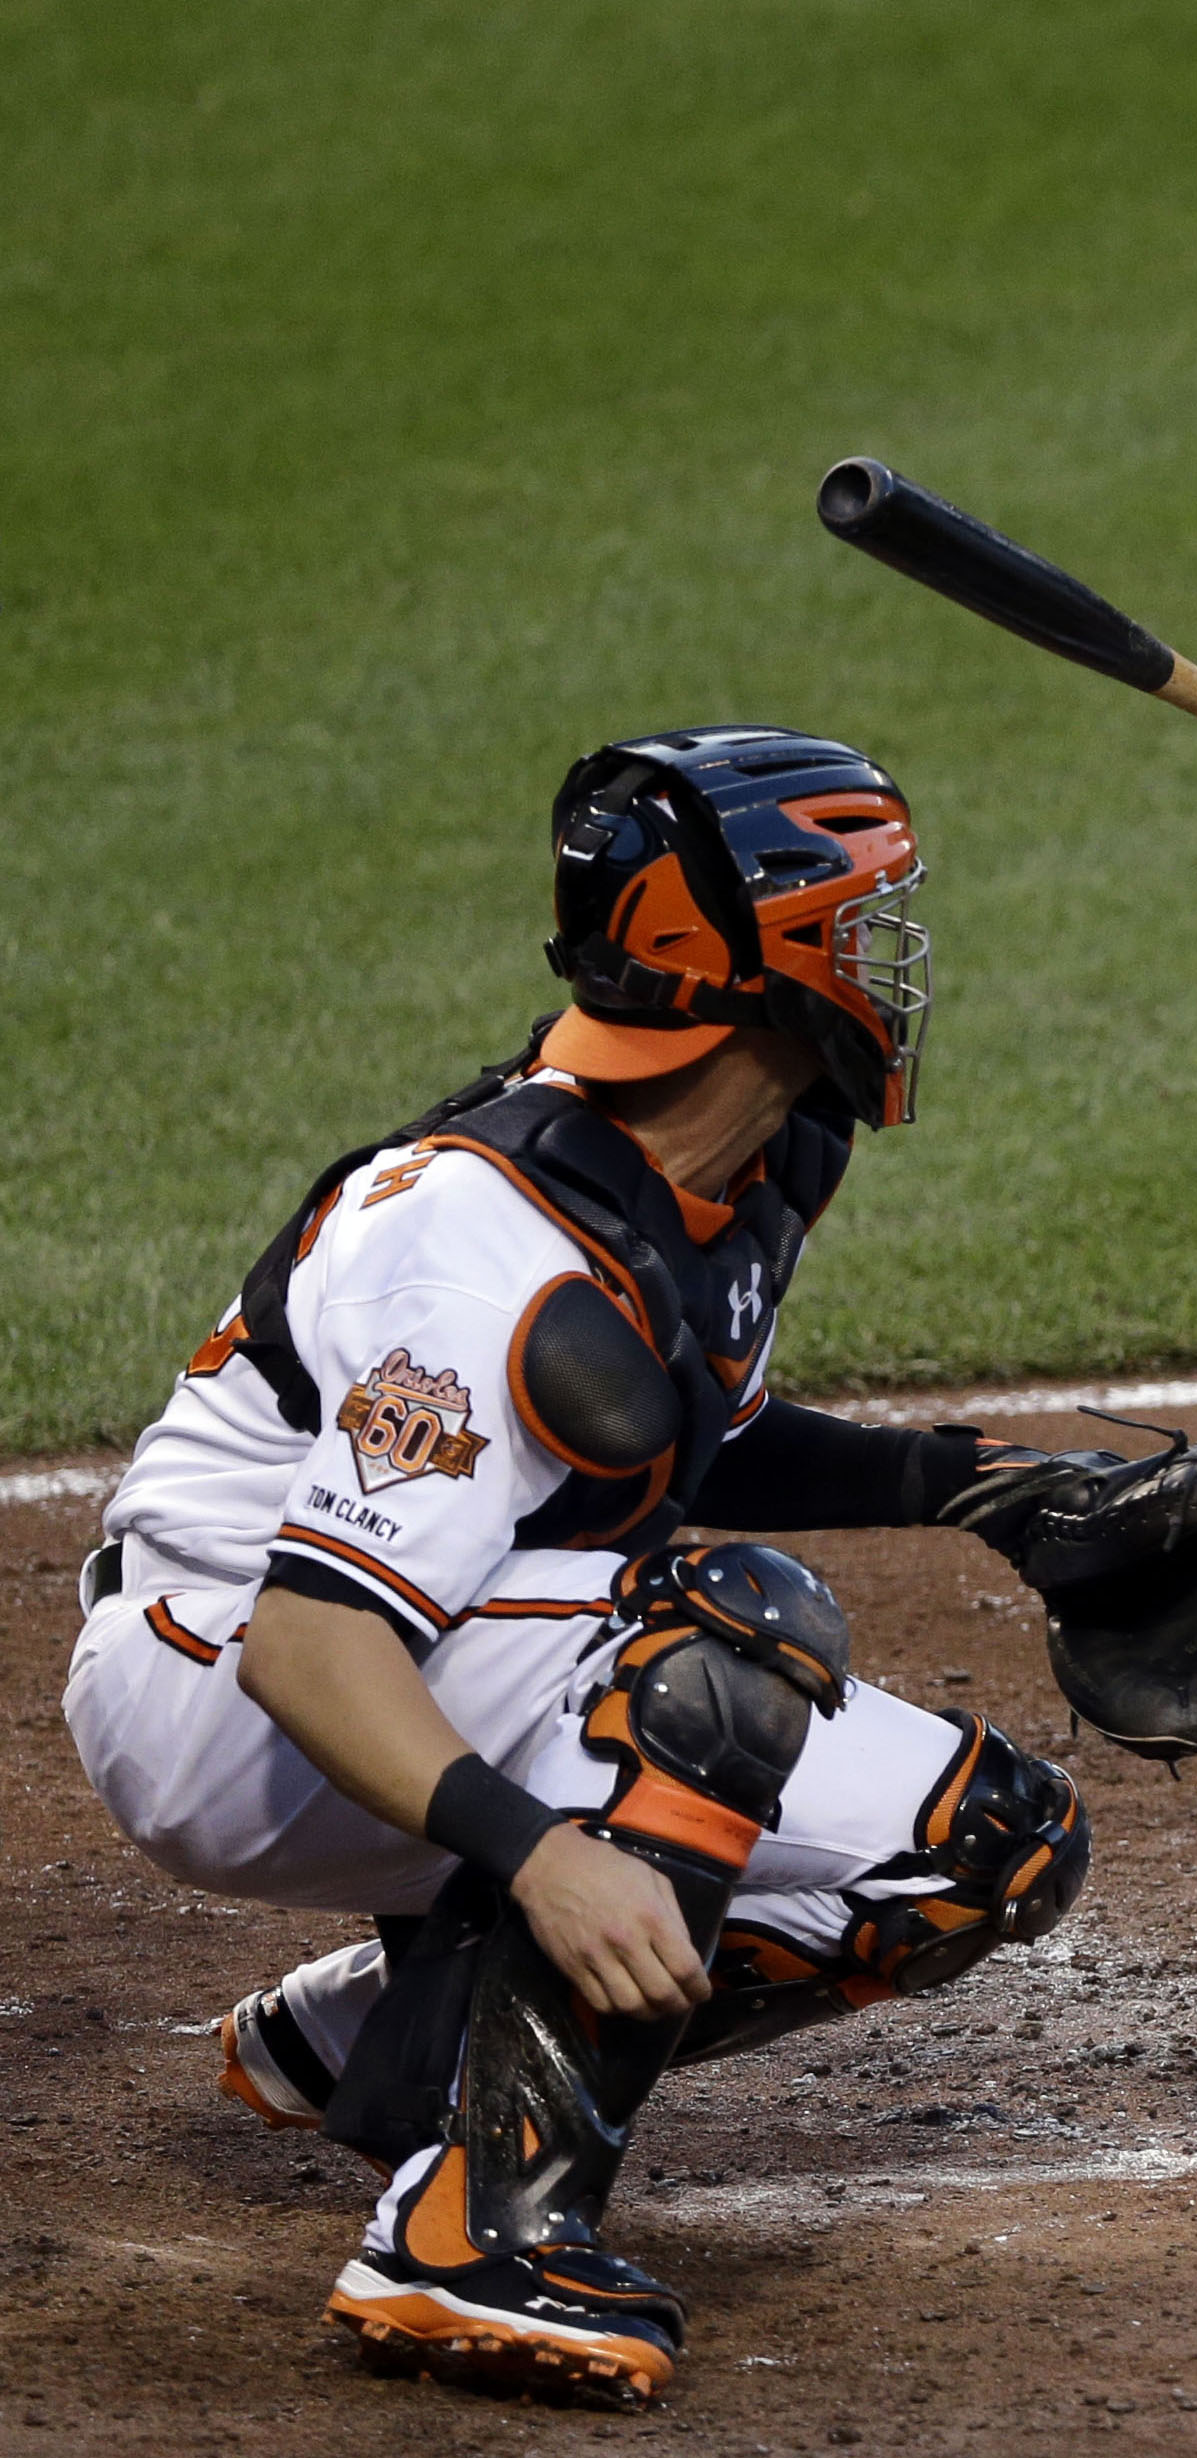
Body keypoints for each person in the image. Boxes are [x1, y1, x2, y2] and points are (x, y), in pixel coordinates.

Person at [65, 727, 1118, 2406]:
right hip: (213, 1686)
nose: (896, 963)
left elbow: (673, 1429)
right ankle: (470, 2231)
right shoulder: (476, 1245)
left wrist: (982, 1486)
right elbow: (309, 1640)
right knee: (725, 1638)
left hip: (395, 1653)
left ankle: (373, 2034)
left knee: (985, 1848)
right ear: (757, 967)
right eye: (864, 926)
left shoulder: (744, 1159)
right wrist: (541, 1856)